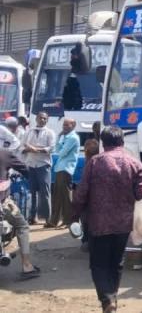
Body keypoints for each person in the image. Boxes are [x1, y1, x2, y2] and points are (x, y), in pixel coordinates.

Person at [72, 126, 142, 313]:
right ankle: (112, 299)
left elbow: (82, 193)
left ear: (103, 142)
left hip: (98, 223)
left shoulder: (94, 162)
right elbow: (140, 195)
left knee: (99, 264)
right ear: (122, 141)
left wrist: (74, 215)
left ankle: (107, 300)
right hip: (123, 224)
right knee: (116, 262)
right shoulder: (135, 163)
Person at [0, 149, 40, 279]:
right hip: (3, 203)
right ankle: (27, 266)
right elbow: (25, 169)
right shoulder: (4, 154)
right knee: (22, 225)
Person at [21, 111, 55, 225]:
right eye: (40, 118)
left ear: (47, 120)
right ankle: (33, 217)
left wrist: (36, 149)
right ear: (36, 119)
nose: (42, 120)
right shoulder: (29, 131)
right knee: (32, 192)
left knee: (45, 193)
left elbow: (51, 148)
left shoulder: (50, 133)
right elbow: (22, 147)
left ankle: (47, 219)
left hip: (43, 165)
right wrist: (28, 149)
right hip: (31, 165)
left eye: (45, 118)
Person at [46, 118, 79, 228]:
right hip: (60, 168)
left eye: (67, 125)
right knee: (57, 195)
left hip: (66, 169)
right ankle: (54, 220)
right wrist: (59, 137)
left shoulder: (73, 138)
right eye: (64, 125)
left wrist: (60, 141)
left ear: (73, 126)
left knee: (65, 196)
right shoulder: (66, 137)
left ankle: (68, 221)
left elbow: (62, 153)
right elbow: (58, 150)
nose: (64, 127)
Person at [80, 136, 101, 251]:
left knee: (86, 220)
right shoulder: (101, 162)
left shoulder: (89, 163)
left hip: (90, 199)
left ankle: (87, 240)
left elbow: (84, 185)